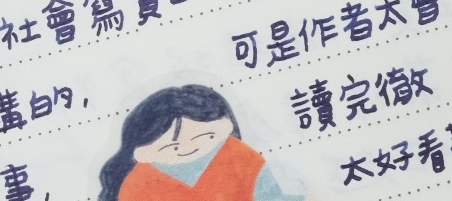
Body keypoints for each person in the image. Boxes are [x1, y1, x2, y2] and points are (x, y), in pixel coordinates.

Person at [98, 84, 303, 201]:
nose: (188, 147)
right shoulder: (138, 183)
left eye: (206, 137)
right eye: (173, 147)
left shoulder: (237, 155)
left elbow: (271, 196)